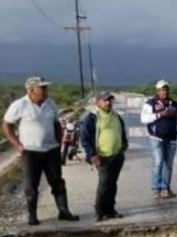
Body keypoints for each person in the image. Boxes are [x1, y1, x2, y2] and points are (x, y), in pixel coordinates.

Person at [2, 76, 79, 225]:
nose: (45, 91)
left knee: (57, 182)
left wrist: (59, 142)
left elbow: (57, 123)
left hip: (51, 150)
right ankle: (32, 216)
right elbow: (7, 126)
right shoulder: (20, 105)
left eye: (46, 88)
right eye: (42, 88)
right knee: (31, 184)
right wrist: (17, 145)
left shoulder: (51, 104)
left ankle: (64, 212)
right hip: (30, 151)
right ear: (31, 90)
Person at [80, 92, 128, 222]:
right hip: (102, 157)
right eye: (105, 100)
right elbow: (85, 139)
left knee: (112, 183)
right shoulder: (92, 118)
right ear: (98, 102)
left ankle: (110, 210)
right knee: (104, 184)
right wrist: (92, 155)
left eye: (110, 100)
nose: (108, 103)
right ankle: (100, 211)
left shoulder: (116, 115)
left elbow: (122, 131)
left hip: (117, 155)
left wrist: (123, 146)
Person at [140, 80, 177, 199]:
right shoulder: (150, 103)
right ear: (157, 91)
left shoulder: (175, 105)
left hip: (171, 138)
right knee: (158, 162)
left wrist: (175, 116)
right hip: (156, 138)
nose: (164, 92)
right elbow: (144, 119)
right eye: (161, 90)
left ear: (168, 90)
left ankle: (166, 188)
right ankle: (156, 188)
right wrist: (160, 114)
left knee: (168, 164)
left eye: (165, 89)